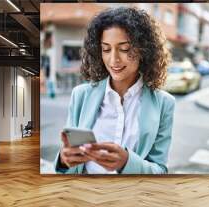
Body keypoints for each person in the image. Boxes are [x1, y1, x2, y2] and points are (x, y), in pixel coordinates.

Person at [54, 7, 175, 174]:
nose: (113, 60)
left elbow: (160, 170)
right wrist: (64, 159)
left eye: (124, 49)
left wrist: (127, 162)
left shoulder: (164, 103)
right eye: (106, 49)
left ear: (143, 50)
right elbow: (68, 163)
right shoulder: (81, 95)